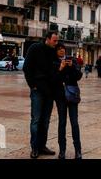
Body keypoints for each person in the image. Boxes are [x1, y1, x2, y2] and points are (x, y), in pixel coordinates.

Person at [23, 31, 59, 159]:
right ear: (47, 39)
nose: (56, 43)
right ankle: (34, 147)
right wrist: (32, 85)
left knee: (45, 121)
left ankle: (42, 146)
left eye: (57, 41)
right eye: (54, 40)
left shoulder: (53, 52)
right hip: (38, 90)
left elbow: (55, 71)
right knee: (36, 120)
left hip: (49, 92)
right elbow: (27, 68)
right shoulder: (35, 48)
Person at [54, 44, 83, 159]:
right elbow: (53, 79)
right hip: (60, 97)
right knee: (62, 123)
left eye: (63, 49)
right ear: (56, 51)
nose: (61, 51)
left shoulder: (72, 60)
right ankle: (62, 150)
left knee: (74, 123)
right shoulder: (54, 62)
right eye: (59, 49)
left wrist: (71, 66)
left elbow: (79, 76)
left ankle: (78, 150)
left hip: (72, 95)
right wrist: (60, 68)